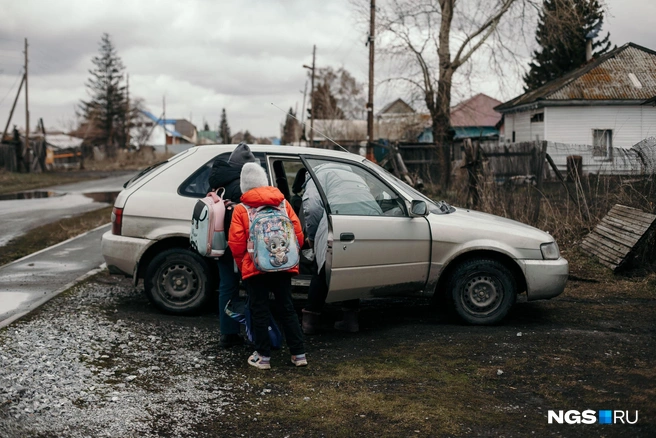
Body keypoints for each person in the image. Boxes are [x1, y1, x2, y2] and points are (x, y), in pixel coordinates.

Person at [228, 162, 307, 370]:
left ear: (244, 186)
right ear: (265, 182)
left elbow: (236, 244)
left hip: (255, 268)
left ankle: (263, 357)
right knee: (287, 308)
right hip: (283, 266)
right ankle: (299, 354)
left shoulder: (241, 209)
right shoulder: (283, 203)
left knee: (259, 310)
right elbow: (298, 235)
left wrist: (244, 265)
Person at [301, 162, 383, 335]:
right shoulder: (354, 175)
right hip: (369, 222)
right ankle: (350, 321)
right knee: (351, 270)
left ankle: (310, 322)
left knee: (321, 270)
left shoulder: (317, 176)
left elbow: (312, 207)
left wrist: (313, 237)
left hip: (337, 219)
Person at [208, 142, 257, 349]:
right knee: (252, 287)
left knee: (226, 286)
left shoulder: (219, 182)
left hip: (220, 242)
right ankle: (252, 332)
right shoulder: (239, 186)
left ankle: (228, 333)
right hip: (237, 245)